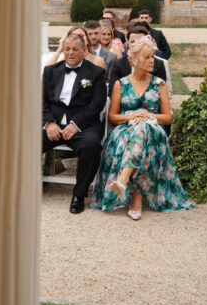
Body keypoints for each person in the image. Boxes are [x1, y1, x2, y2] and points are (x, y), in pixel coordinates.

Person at [90, 37, 194, 219]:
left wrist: (149, 116)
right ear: (134, 60)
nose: (152, 60)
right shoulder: (120, 84)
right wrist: (131, 116)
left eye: (152, 56)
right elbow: (113, 116)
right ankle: (135, 199)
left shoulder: (159, 84)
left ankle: (123, 180)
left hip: (153, 130)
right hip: (125, 130)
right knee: (139, 132)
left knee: (143, 128)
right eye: (147, 57)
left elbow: (168, 117)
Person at [42, 33, 107, 214]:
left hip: (83, 125)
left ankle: (79, 194)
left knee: (91, 145)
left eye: (75, 49)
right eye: (67, 49)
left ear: (84, 50)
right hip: (53, 125)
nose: (70, 53)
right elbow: (41, 100)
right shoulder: (50, 71)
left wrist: (75, 124)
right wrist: (49, 123)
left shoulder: (96, 73)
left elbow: (97, 105)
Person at [106, 24, 171, 94]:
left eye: (140, 42)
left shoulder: (158, 64)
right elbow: (112, 91)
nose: (136, 45)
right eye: (133, 42)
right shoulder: (118, 64)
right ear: (127, 42)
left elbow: (162, 93)